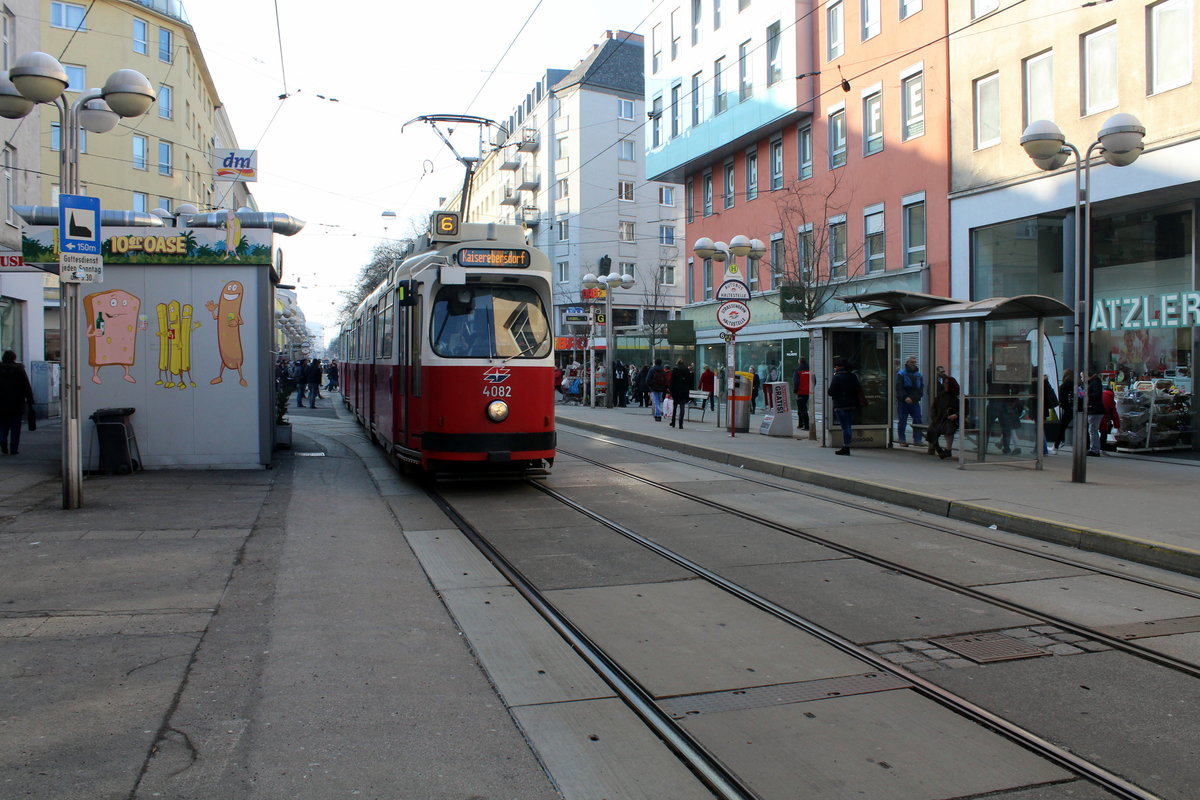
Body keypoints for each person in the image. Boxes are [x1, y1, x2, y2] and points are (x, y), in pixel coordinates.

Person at [0, 351, 34, 455]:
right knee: (15, 428)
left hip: (1, 404)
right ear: (14, 358)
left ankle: (3, 442)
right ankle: (14, 449)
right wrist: (30, 400)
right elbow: (26, 386)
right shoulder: (19, 370)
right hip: (17, 404)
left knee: (2, 426)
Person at [827, 357, 862, 455]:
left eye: (835, 366)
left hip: (840, 405)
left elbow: (831, 392)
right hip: (851, 404)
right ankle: (846, 445)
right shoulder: (852, 376)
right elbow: (857, 388)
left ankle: (846, 446)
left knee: (845, 427)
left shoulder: (837, 377)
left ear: (838, 367)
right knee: (848, 426)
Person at [894, 356, 924, 447]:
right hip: (903, 402)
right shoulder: (901, 374)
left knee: (918, 419)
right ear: (907, 363)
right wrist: (905, 397)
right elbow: (899, 388)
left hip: (914, 401)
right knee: (902, 421)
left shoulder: (918, 375)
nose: (913, 364)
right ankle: (902, 439)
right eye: (911, 362)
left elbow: (920, 389)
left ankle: (917, 439)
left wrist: (914, 398)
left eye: (914, 362)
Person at [669, 358, 692, 429]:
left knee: (675, 407)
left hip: (676, 391)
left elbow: (671, 382)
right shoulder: (686, 370)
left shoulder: (675, 370)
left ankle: (673, 422)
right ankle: (680, 423)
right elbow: (689, 381)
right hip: (684, 391)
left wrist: (671, 391)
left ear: (677, 363)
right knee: (682, 407)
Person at [1055, 373, 1075, 453]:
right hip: (1076, 409)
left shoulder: (1063, 387)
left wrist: (1065, 406)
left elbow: (1062, 400)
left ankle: (1056, 446)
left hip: (1068, 409)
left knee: (1062, 427)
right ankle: (1086, 446)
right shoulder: (1076, 385)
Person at [1041, 375, 1059, 454]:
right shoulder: (1046, 384)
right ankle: (1042, 448)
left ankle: (1043, 449)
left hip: (1041, 408)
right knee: (1041, 429)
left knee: (1040, 429)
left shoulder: (1042, 384)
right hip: (1044, 409)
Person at [793, 359, 811, 430]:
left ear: (799, 362)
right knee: (803, 408)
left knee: (801, 409)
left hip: (800, 392)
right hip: (808, 392)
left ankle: (805, 425)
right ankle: (801, 424)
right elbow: (814, 381)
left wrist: (795, 390)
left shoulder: (797, 370)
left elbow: (796, 382)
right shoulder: (810, 370)